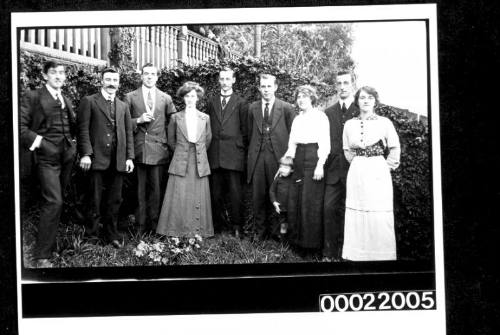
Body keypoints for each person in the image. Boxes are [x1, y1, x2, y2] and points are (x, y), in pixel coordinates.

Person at [19, 61, 77, 268]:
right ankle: (41, 256)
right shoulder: (33, 96)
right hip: (45, 158)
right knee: (54, 202)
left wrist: (72, 147)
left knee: (57, 201)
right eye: (54, 73)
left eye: (62, 73)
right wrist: (42, 143)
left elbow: (72, 126)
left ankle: (51, 247)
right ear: (45, 76)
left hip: (66, 157)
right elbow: (20, 127)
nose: (59, 76)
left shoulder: (66, 99)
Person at [77, 67, 134, 248]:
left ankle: (112, 235)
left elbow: (128, 133)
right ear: (101, 81)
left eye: (115, 80)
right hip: (96, 159)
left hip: (118, 159)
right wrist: (86, 153)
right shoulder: (89, 101)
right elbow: (83, 129)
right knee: (94, 198)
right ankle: (91, 237)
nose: (111, 83)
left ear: (119, 83)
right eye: (108, 79)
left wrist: (129, 157)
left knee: (115, 199)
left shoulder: (123, 106)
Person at [342, 86, 401, 261]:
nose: (366, 101)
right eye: (362, 98)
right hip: (357, 172)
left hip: (378, 171)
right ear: (357, 101)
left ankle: (381, 257)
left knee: (378, 212)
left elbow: (394, 148)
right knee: (357, 211)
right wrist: (359, 163)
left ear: (375, 101)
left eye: (370, 98)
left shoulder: (385, 123)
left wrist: (385, 167)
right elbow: (346, 149)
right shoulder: (349, 124)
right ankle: (356, 255)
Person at [125, 63, 176, 234]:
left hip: (159, 151)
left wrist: (171, 145)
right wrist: (137, 120)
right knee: (139, 191)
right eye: (146, 74)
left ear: (157, 77)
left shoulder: (166, 98)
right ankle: (140, 227)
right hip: (139, 150)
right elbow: (123, 124)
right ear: (141, 76)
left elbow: (174, 123)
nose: (149, 77)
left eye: (152, 74)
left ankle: (155, 227)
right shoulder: (130, 97)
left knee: (156, 190)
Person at [156, 82, 213, 238]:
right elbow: (171, 141)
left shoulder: (205, 118)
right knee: (179, 195)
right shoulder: (175, 117)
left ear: (198, 98)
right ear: (183, 98)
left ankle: (198, 232)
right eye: (187, 96)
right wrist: (182, 152)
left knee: (197, 195)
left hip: (199, 161)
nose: (190, 99)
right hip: (180, 160)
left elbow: (207, 140)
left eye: (193, 96)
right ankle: (175, 231)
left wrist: (196, 153)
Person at [247, 73, 296, 240]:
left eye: (269, 86)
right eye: (263, 86)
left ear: (275, 87)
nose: (266, 89)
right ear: (259, 88)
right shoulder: (252, 108)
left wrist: (288, 160)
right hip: (258, 158)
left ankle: (277, 233)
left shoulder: (287, 108)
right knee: (258, 195)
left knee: (278, 195)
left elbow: (292, 135)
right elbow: (248, 134)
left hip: (278, 159)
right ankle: (259, 232)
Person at [284, 85, 330, 254]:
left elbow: (325, 143)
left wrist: (320, 165)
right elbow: (292, 144)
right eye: (298, 97)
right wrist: (287, 164)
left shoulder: (320, 117)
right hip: (298, 160)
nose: (301, 100)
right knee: (296, 200)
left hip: (313, 159)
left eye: (305, 96)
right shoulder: (297, 119)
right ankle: (296, 243)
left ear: (312, 98)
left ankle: (311, 246)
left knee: (311, 202)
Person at [206, 67, 248, 237]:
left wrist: (238, 148)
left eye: (228, 79)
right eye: (222, 79)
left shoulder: (241, 103)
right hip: (215, 154)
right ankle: (217, 225)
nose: (224, 82)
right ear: (219, 80)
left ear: (233, 80)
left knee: (235, 194)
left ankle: (237, 226)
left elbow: (245, 130)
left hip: (233, 155)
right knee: (215, 194)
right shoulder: (211, 101)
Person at [323, 71, 359, 261]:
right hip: (333, 172)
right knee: (329, 209)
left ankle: (349, 255)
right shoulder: (328, 112)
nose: (342, 87)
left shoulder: (360, 110)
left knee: (352, 212)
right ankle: (329, 254)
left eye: (346, 83)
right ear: (335, 86)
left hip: (355, 171)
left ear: (353, 84)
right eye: (339, 83)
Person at [269, 156, 294, 240]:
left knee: (287, 225)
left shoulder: (293, 180)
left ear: (292, 170)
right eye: (281, 167)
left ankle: (285, 241)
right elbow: (272, 191)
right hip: (280, 207)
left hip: (290, 208)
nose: (282, 169)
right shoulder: (278, 179)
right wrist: (274, 202)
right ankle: (280, 241)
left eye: (286, 167)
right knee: (280, 224)